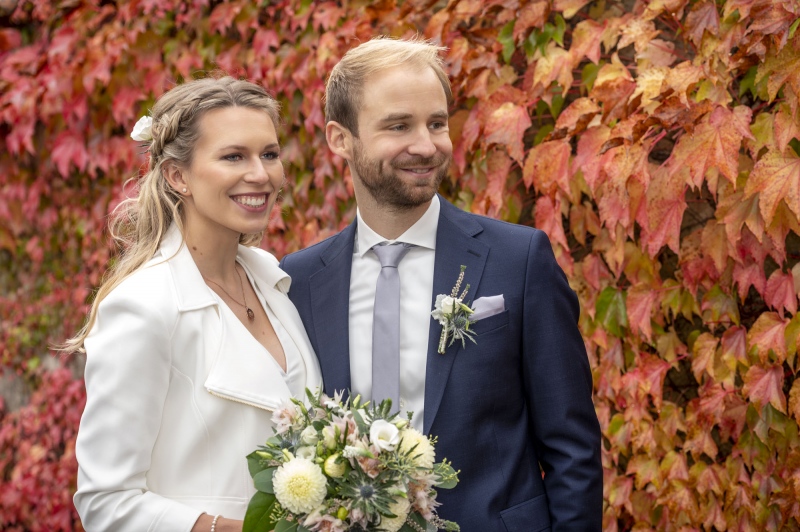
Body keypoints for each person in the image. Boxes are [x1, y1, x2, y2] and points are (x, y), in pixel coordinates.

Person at [280, 37, 602, 531]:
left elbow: (572, 447)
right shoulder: (299, 281)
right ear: (339, 138)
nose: (426, 146)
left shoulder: (519, 259)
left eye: (436, 123)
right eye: (398, 125)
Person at [65, 77, 322, 532]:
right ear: (177, 175)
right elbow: (107, 504)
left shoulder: (273, 280)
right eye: (233, 156)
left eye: (269, 154)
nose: (261, 174)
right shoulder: (144, 307)